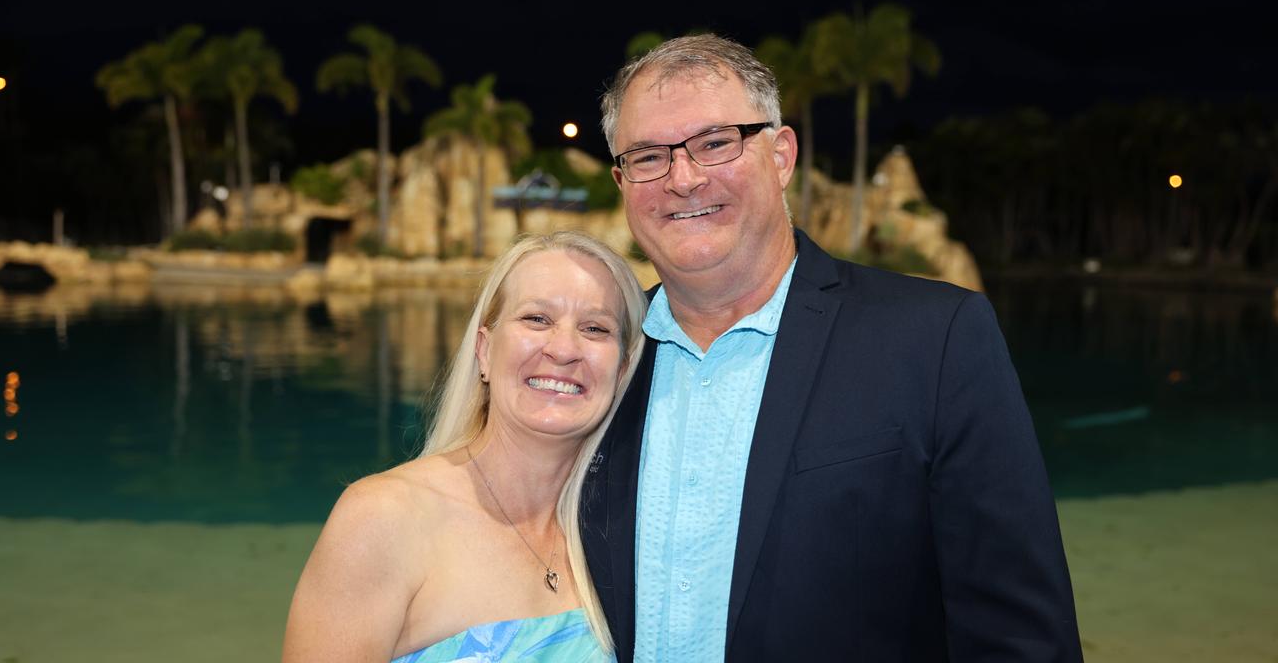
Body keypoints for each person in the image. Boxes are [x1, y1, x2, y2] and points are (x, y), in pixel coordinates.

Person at [581, 34, 1083, 662]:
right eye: (649, 155)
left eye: (716, 143)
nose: (684, 178)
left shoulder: (935, 340)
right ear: (623, 181)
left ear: (782, 155)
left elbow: (1021, 638)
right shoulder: (595, 361)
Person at [283, 231, 647, 662]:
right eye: (536, 319)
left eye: (595, 328)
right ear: (485, 349)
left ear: (622, 369)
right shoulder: (384, 520)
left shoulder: (624, 537)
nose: (565, 349)